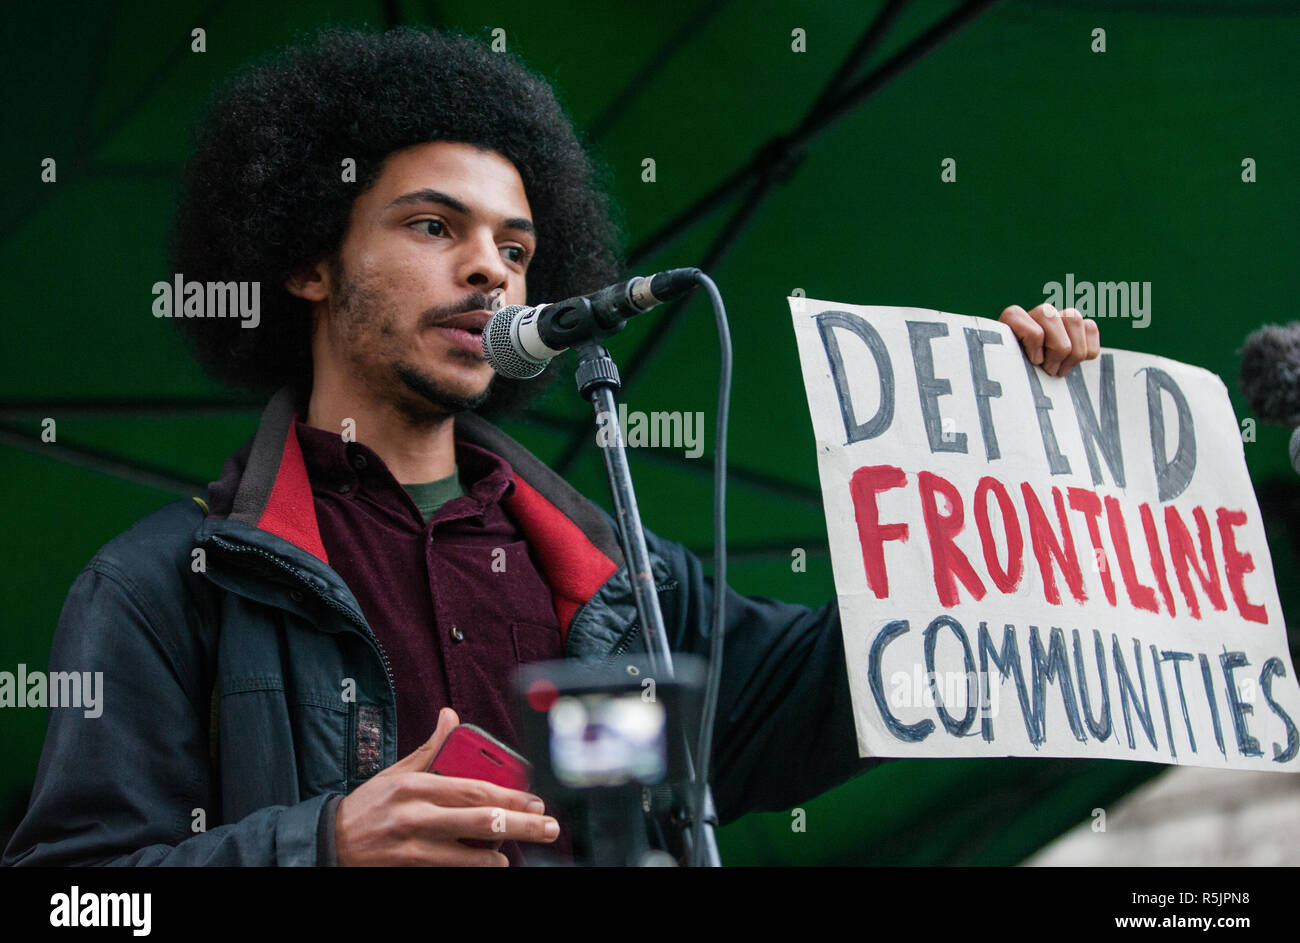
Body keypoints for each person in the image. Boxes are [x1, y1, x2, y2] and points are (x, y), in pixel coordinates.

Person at [2, 26, 1099, 867]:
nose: (491, 270)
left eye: (517, 247)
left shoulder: (625, 579)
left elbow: (862, 680)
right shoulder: (160, 585)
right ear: (306, 262)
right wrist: (320, 844)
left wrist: (1008, 451)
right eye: (435, 227)